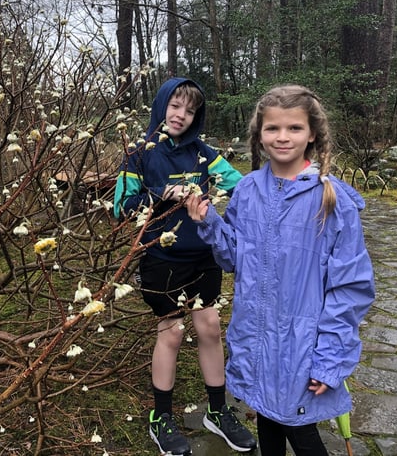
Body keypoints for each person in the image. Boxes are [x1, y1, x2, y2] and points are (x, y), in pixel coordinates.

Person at [185, 85, 375, 456]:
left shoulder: (330, 200)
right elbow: (234, 259)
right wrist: (210, 222)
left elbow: (350, 288)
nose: (282, 137)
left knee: (300, 432)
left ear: (313, 134)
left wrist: (331, 358)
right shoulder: (248, 190)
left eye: (294, 128)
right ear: (259, 135)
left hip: (301, 345)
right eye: (272, 128)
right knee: (267, 418)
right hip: (255, 335)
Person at [113, 77, 258, 454]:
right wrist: (162, 195)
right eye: (175, 106)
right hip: (161, 259)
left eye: (190, 110)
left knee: (210, 326)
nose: (181, 115)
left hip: (203, 255)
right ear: (162, 106)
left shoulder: (205, 154)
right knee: (172, 332)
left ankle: (218, 410)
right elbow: (121, 208)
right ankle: (161, 418)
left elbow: (242, 187)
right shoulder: (140, 153)